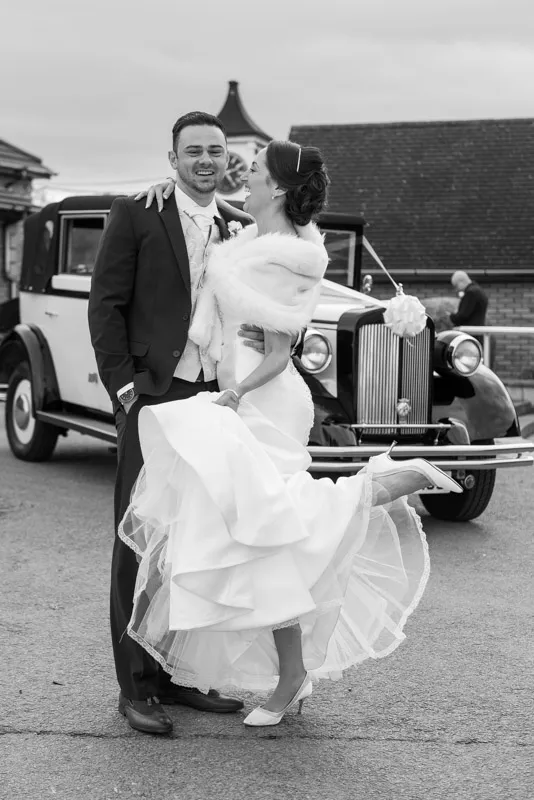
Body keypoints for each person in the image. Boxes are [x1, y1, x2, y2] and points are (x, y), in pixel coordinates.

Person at [116, 139, 462, 728]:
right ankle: (291, 670)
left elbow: (278, 352)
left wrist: (236, 396)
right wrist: (162, 187)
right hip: (241, 391)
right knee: (258, 539)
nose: (239, 176)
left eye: (252, 172)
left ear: (276, 188)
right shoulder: (254, 237)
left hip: (263, 397)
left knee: (272, 528)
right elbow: (204, 213)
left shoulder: (287, 256)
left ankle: (370, 489)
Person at [88, 112, 269, 735]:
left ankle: (175, 674)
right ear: (172, 160)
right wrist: (122, 387)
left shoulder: (240, 226)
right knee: (139, 536)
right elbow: (106, 304)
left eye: (215, 152)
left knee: (195, 539)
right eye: (192, 151)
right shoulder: (137, 211)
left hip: (213, 399)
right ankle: (134, 686)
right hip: (154, 397)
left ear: (228, 161)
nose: (204, 161)